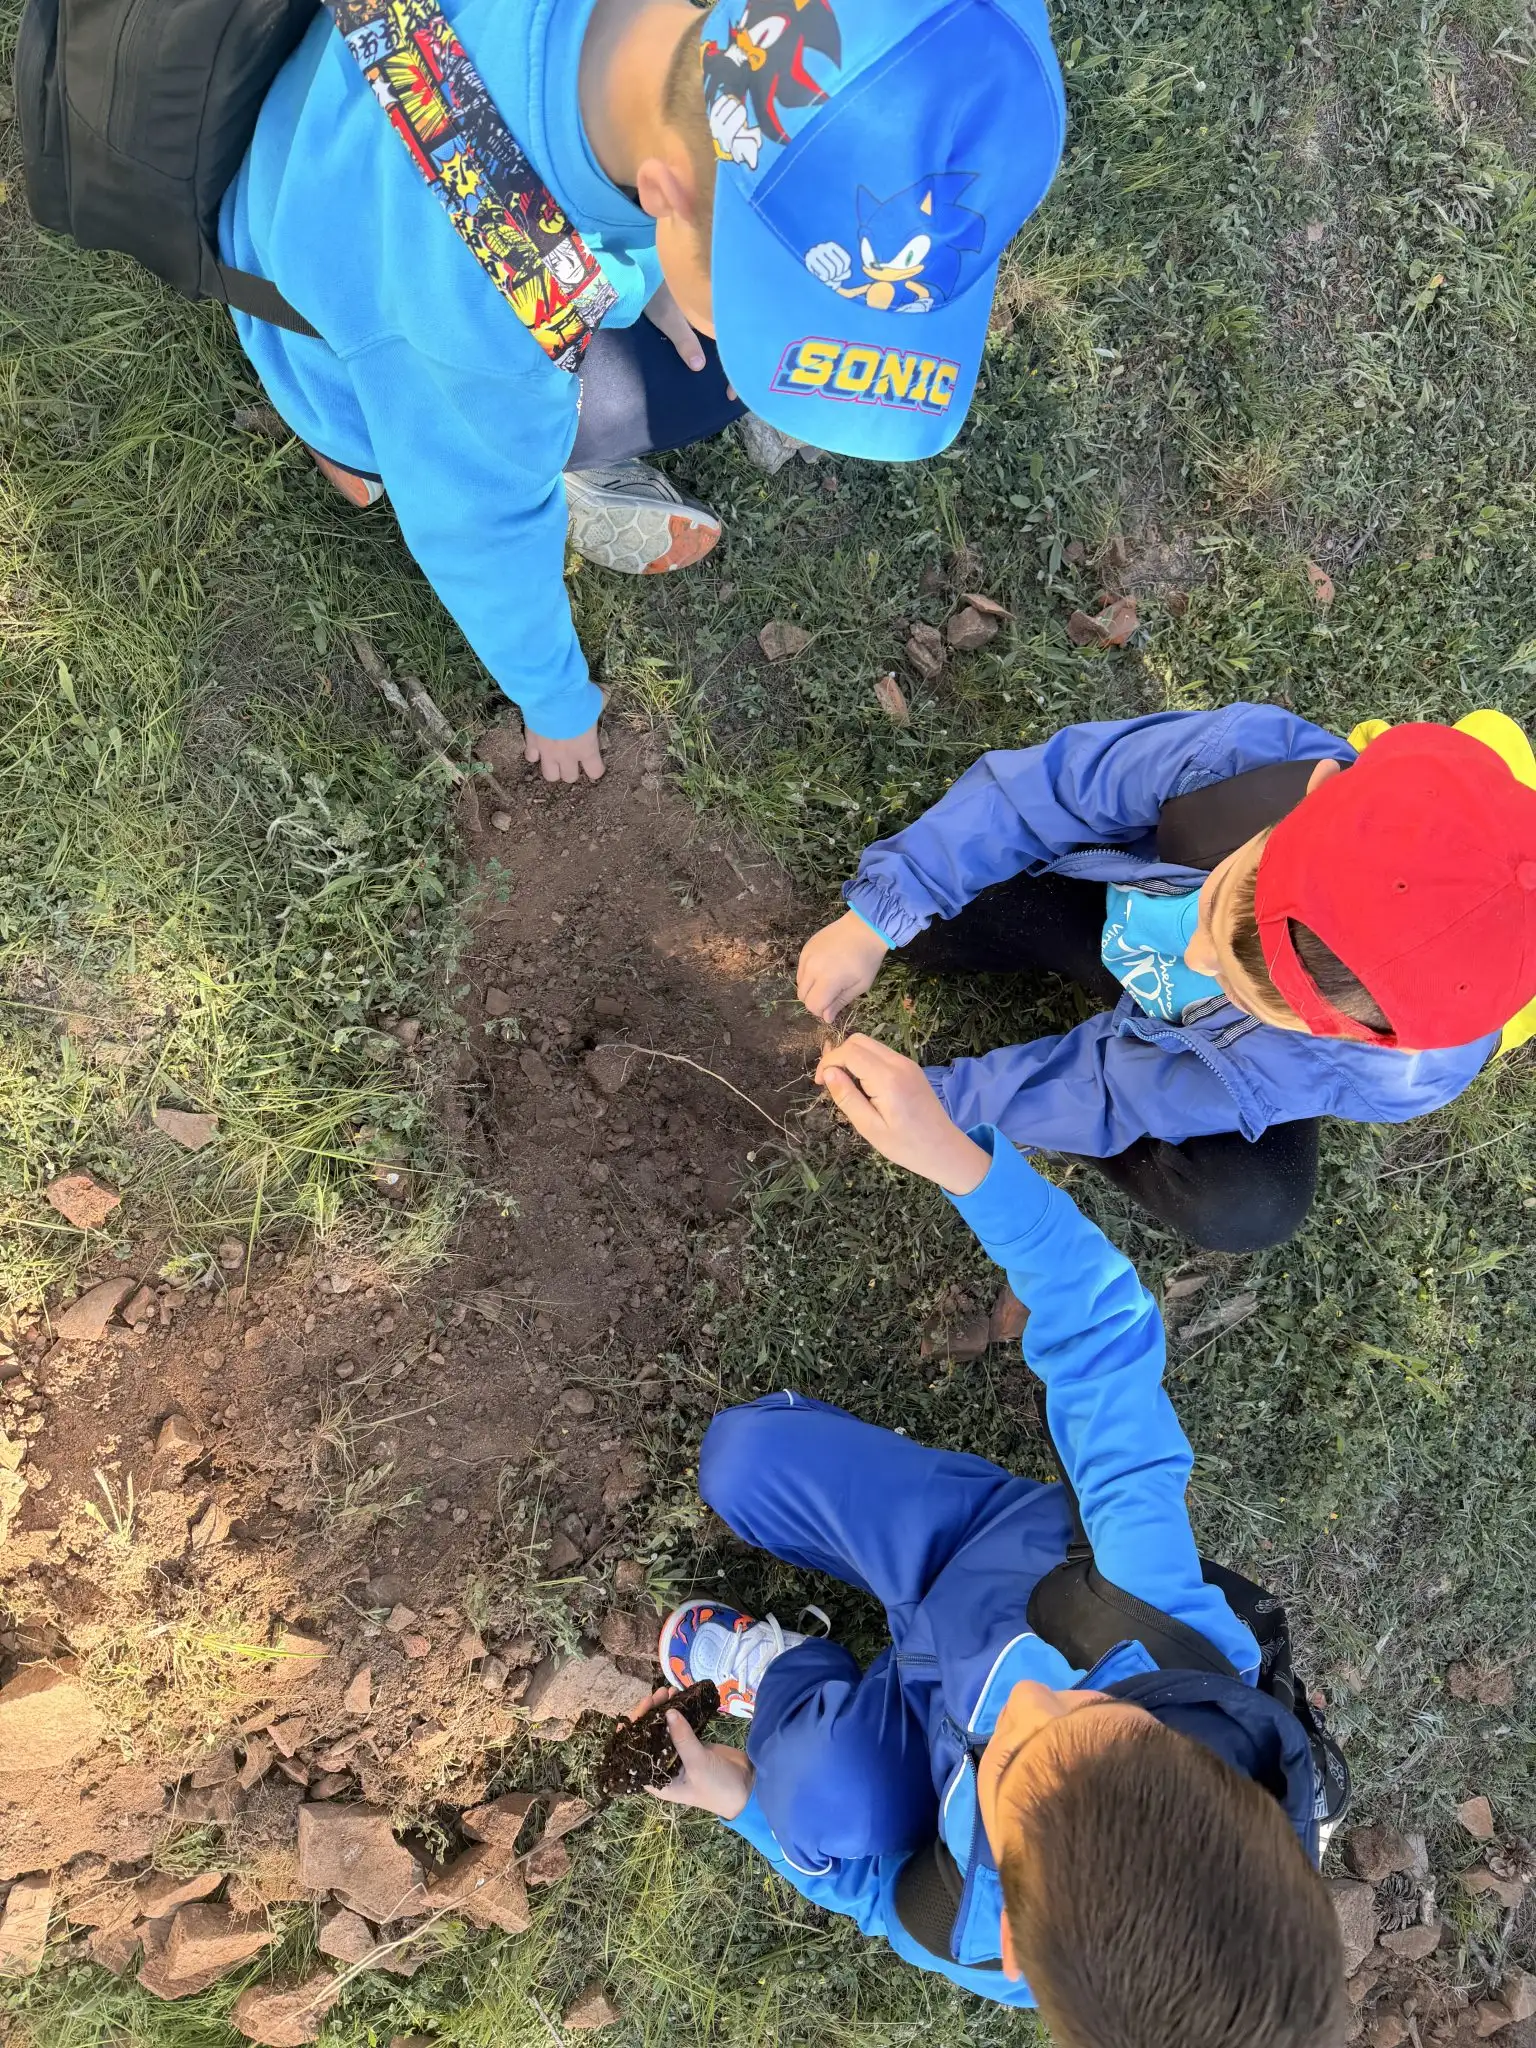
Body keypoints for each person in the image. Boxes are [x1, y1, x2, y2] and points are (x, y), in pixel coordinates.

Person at [636, 1038, 1346, 2042]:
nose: (1034, 1694)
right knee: (742, 1459)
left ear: (1012, 1947)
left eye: (1015, 1757)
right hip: (975, 1549)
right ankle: (863, 1635)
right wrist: (962, 1159)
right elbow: (1103, 1334)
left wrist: (735, 1800)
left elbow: (882, 1898)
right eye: (1103, 1708)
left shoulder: (991, 1939)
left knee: (817, 1801)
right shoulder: (1167, 1623)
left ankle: (788, 1671)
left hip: (917, 1723)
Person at [217, 0, 1066, 781]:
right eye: (761, 290)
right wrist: (554, 702)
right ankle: (356, 452)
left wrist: (660, 260)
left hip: (348, 132)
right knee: (721, 382)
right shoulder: (488, 319)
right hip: (355, 334)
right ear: (666, 197)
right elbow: (477, 528)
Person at [796, 706, 1536, 1250]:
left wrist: (949, 1108)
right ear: (1308, 799)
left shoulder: (1379, 1068)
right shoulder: (1246, 763)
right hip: (1129, 895)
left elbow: (1125, 1085)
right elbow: (1049, 789)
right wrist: (878, 918)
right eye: (1218, 910)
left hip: (1238, 1055)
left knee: (1245, 1207)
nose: (1200, 959)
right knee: (930, 928)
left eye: (1246, 988)